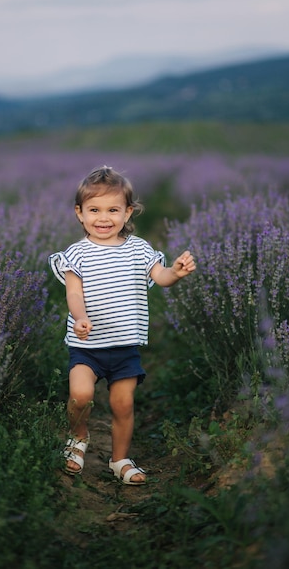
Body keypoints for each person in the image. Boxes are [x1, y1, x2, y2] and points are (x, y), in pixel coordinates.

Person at [48, 166, 196, 485]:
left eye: (113, 210)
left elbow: (161, 277)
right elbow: (73, 293)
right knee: (80, 395)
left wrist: (176, 271)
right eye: (94, 210)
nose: (104, 218)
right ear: (80, 213)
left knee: (123, 403)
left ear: (127, 212)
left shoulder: (139, 249)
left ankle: (120, 459)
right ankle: (78, 438)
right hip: (86, 347)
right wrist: (81, 317)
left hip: (125, 347)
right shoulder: (76, 255)